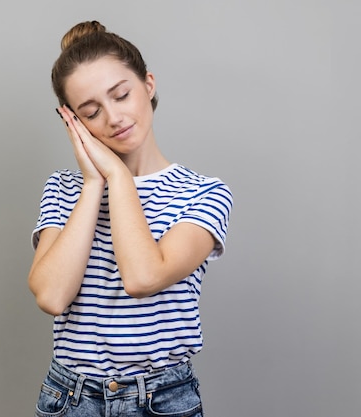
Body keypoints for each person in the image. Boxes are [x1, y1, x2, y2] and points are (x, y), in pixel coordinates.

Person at [28, 20, 233, 417]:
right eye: (91, 111)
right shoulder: (62, 189)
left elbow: (142, 277)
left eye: (121, 95)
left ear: (148, 85)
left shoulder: (204, 193)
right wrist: (93, 184)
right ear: (74, 123)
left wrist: (119, 176)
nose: (114, 117)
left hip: (160, 400)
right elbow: (52, 296)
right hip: (69, 398)